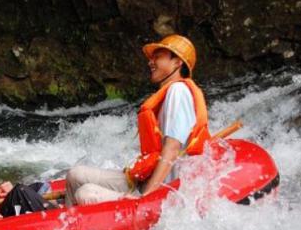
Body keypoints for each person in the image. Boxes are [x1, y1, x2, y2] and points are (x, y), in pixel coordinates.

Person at [65, 34, 211, 206]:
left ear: (177, 62)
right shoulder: (168, 94)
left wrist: (147, 196)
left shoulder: (178, 92)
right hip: (146, 182)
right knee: (75, 174)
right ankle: (64, 223)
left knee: (85, 193)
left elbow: (172, 149)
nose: (150, 62)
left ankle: (78, 225)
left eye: (158, 57)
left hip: (164, 192)